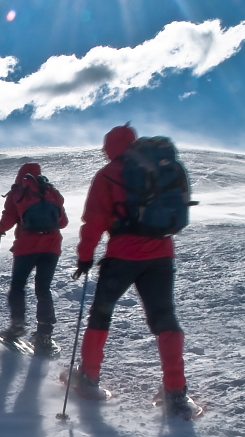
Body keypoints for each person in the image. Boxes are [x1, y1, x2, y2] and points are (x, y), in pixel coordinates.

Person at [69, 124, 193, 418]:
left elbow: (94, 221)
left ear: (111, 147)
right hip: (161, 254)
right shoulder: (161, 168)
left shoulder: (109, 173)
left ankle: (88, 378)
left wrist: (85, 257)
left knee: (101, 314)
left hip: (123, 256)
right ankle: (175, 393)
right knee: (164, 318)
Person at [0, 162, 68, 354]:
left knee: (18, 285)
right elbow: (63, 222)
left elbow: (8, 219)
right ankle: (44, 334)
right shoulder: (51, 192)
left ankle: (17, 325)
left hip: (27, 247)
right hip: (51, 247)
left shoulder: (18, 192)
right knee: (43, 288)